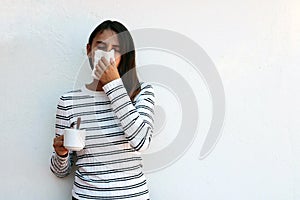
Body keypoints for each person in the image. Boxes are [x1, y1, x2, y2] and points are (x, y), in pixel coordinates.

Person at [50, 20, 155, 200]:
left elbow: (142, 142)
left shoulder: (141, 92)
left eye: (116, 49)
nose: (108, 55)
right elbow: (61, 171)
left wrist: (113, 85)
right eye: (101, 47)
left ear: (124, 56)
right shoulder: (68, 102)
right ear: (89, 50)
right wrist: (61, 154)